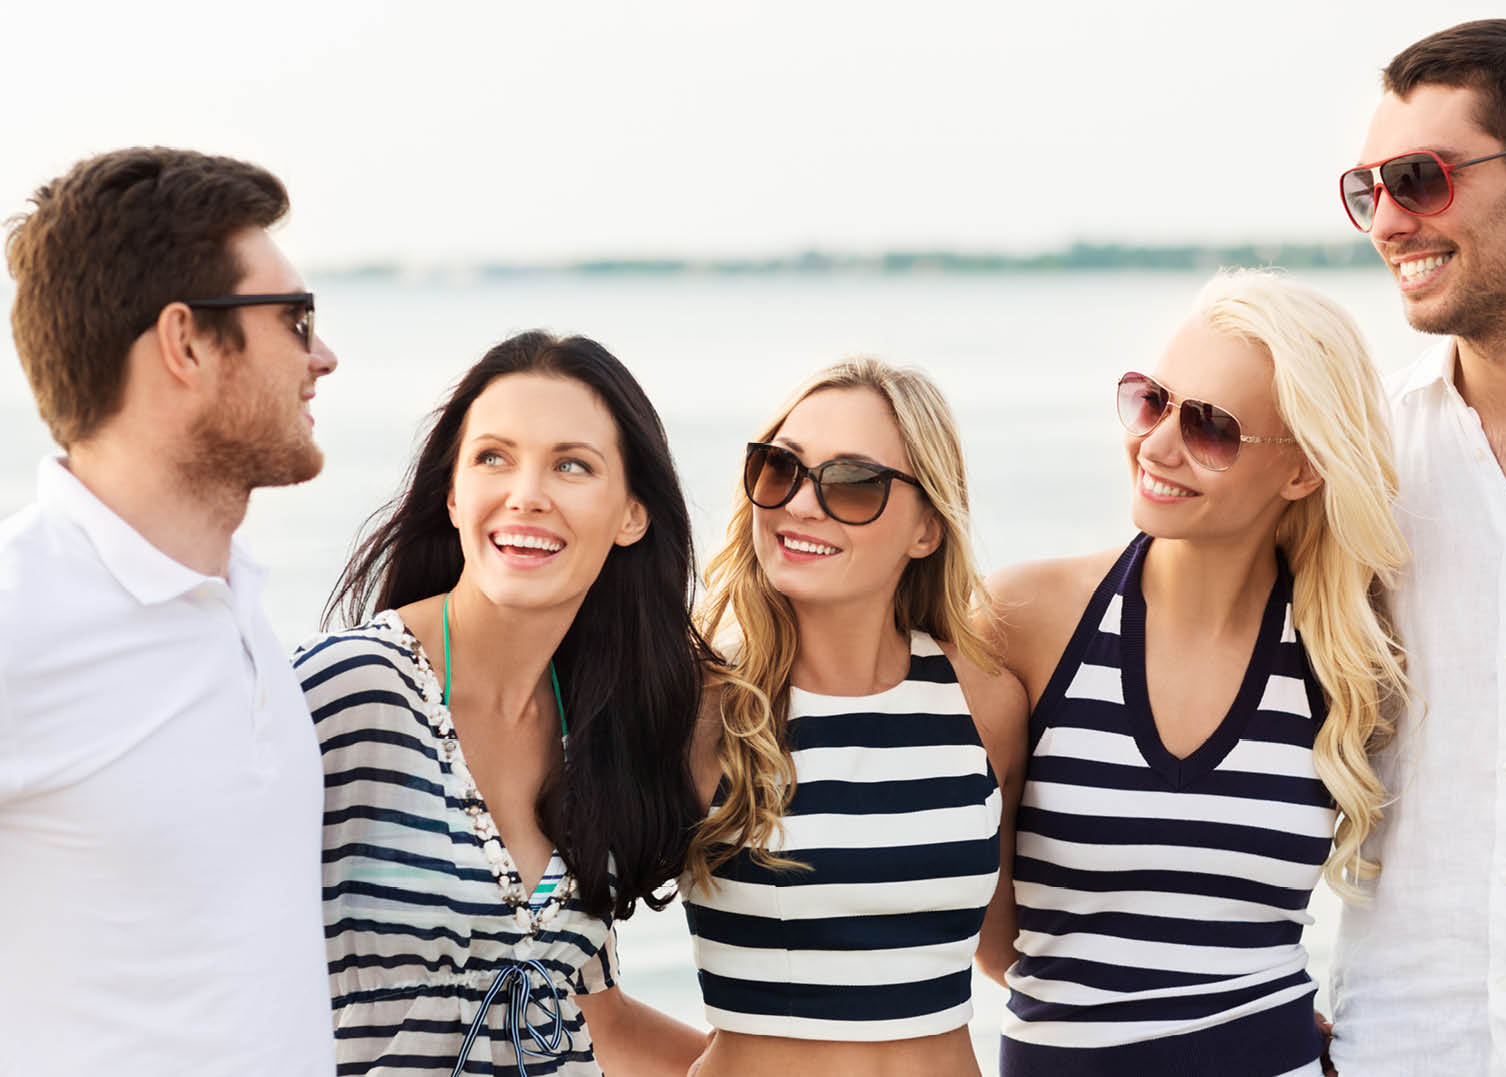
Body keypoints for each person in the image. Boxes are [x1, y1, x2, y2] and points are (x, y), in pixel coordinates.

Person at [987, 270, 1408, 1075]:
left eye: (1210, 427)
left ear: (1302, 469)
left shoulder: (1344, 656)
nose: (1156, 444)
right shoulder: (1022, 622)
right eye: (1151, 400)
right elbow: (977, 914)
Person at [0, 147, 339, 1072]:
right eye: (295, 318)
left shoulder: (240, 605)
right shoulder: (21, 614)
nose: (323, 356)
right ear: (186, 342)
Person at [294, 330, 709, 1076]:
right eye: (494, 456)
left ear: (631, 516)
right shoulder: (342, 693)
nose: (526, 494)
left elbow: (594, 1017)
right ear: (453, 495)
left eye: (571, 465)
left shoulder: (598, 730)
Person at [680, 358, 1029, 1077]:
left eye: (851, 483)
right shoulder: (697, 706)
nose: (801, 504)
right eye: (779, 469)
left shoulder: (983, 702)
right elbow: (569, 978)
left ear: (927, 527)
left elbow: (1016, 952)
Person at [1327, 19, 1506, 1075]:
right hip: (1398, 1049)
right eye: (1365, 189)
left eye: (1417, 179)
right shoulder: (1352, 464)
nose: (1386, 221)